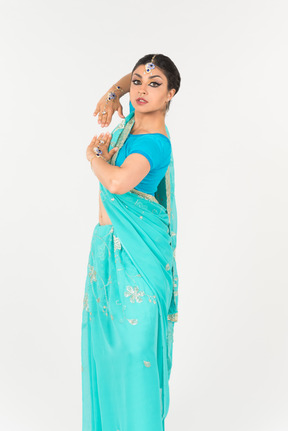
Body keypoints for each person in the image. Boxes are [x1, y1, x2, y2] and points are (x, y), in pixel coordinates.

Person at [81, 53, 181, 431]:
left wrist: (93, 158)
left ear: (171, 94)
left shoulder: (152, 143)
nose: (140, 89)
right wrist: (112, 93)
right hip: (108, 251)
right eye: (138, 82)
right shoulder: (128, 130)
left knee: (135, 351)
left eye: (155, 85)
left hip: (137, 259)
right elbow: (132, 80)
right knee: (109, 352)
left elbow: (118, 182)